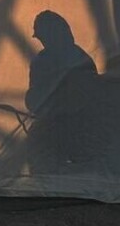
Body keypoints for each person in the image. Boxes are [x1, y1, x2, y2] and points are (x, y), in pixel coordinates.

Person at [24, 11, 99, 167]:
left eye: (42, 37)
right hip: (63, 131)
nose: (41, 41)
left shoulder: (75, 61)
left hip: (73, 132)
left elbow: (86, 97)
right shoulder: (80, 58)